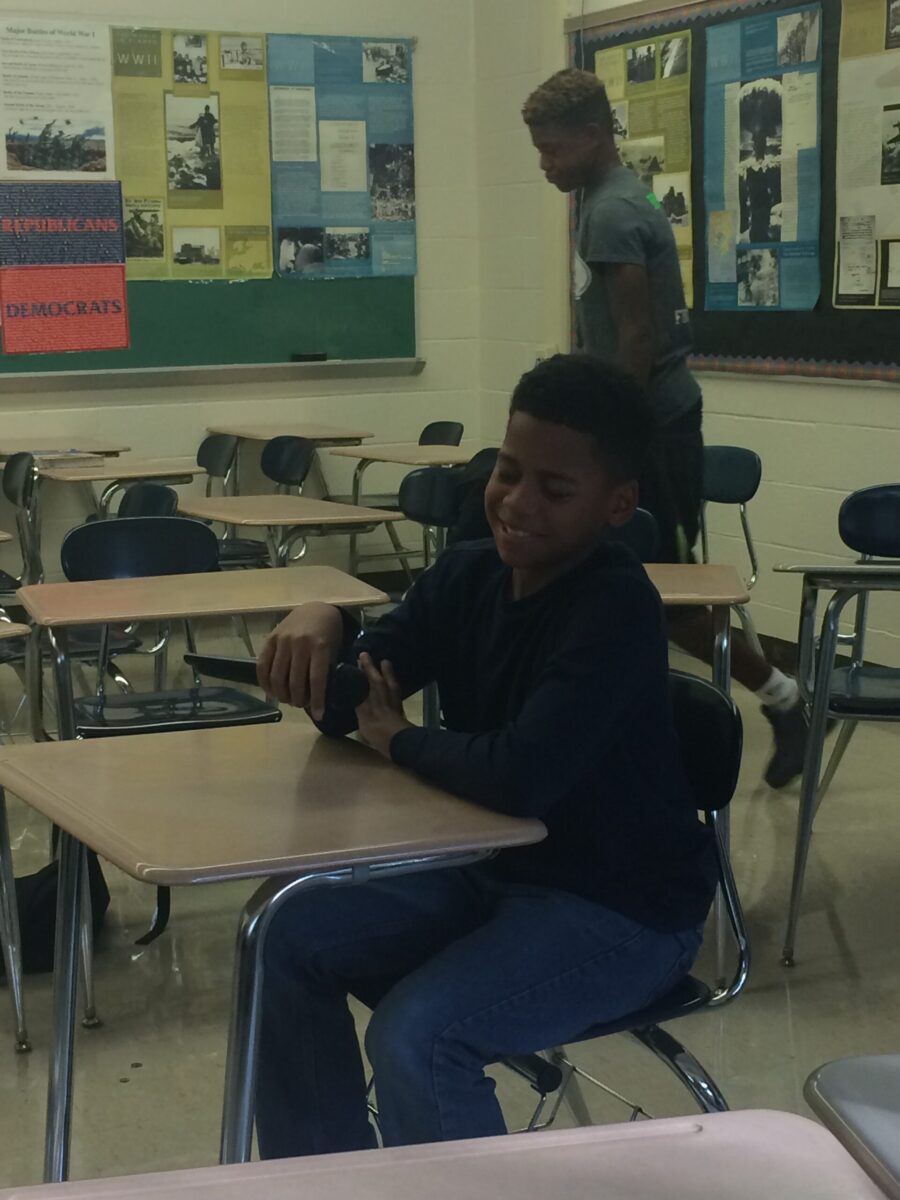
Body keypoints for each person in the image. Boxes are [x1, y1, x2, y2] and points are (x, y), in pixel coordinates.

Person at [253, 354, 717, 1157]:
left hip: (623, 910)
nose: (517, 503)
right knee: (281, 934)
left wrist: (400, 740)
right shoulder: (469, 574)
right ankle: (325, 1176)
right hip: (495, 872)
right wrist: (326, 621)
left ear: (617, 505)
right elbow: (357, 697)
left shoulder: (615, 606)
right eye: (508, 472)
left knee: (418, 1037)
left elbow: (519, 777)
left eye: (555, 490)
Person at [522, 68, 812, 789]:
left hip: (652, 430)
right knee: (611, 585)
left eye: (554, 149)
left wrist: (610, 442)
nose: (545, 164)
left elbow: (636, 337)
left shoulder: (612, 212)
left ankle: (784, 699)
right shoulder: (619, 194)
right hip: (644, 422)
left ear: (595, 135)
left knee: (670, 598)